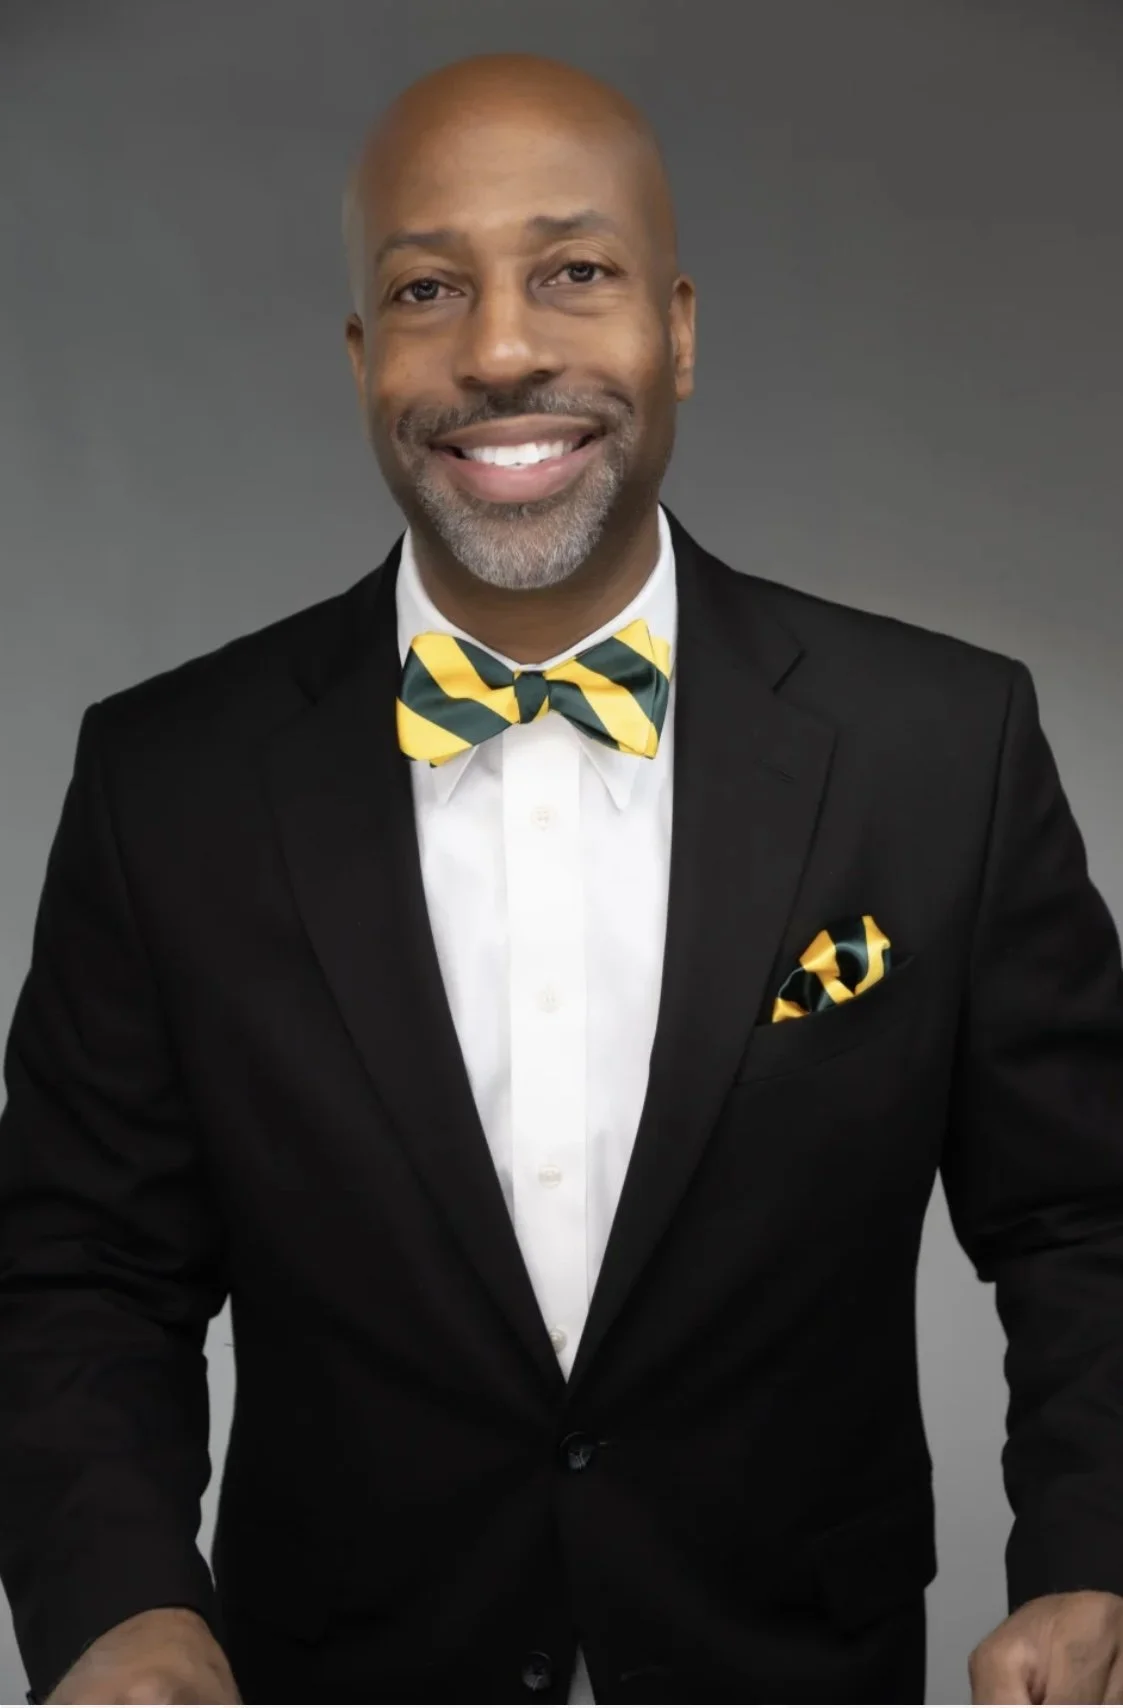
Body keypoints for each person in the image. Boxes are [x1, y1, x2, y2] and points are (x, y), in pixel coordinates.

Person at [1, 49, 1122, 1708]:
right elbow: (80, 1264)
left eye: (572, 273)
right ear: (361, 353)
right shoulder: (165, 782)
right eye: (428, 287)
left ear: (676, 327)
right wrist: (118, 1604)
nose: (504, 347)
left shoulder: (938, 747)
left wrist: (1093, 1554)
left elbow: (1083, 1213)